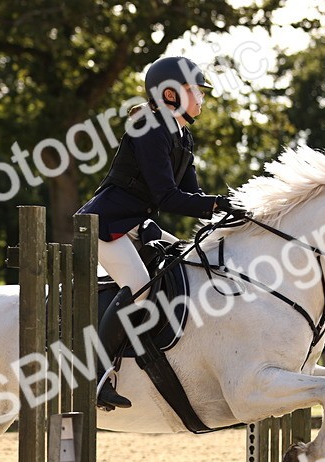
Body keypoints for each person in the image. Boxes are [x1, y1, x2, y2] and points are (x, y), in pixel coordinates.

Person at [77, 55, 239, 410]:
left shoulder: (182, 135)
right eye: (196, 91)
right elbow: (168, 196)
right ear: (170, 95)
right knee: (141, 287)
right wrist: (212, 205)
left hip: (135, 224)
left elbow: (192, 195)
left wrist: (226, 210)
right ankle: (96, 374)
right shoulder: (149, 128)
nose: (202, 98)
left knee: (183, 263)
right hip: (105, 223)